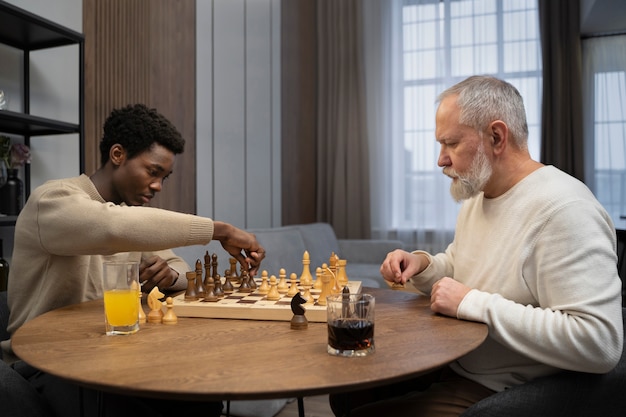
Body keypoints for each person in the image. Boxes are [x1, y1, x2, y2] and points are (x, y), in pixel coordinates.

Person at [330, 75, 624, 417]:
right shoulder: (479, 194)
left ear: (496, 137)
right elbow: (460, 266)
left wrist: (472, 302)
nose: (441, 160)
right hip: (454, 363)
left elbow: (598, 342)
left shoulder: (564, 210)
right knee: (346, 394)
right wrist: (422, 266)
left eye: (450, 143)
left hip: (507, 392)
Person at [1, 103, 265, 417]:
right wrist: (219, 230)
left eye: (164, 177)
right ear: (117, 154)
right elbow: (112, 228)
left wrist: (168, 275)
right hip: (43, 362)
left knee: (201, 399)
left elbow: (179, 268)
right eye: (153, 172)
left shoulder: (129, 218)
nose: (157, 186)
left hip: (108, 355)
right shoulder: (51, 200)